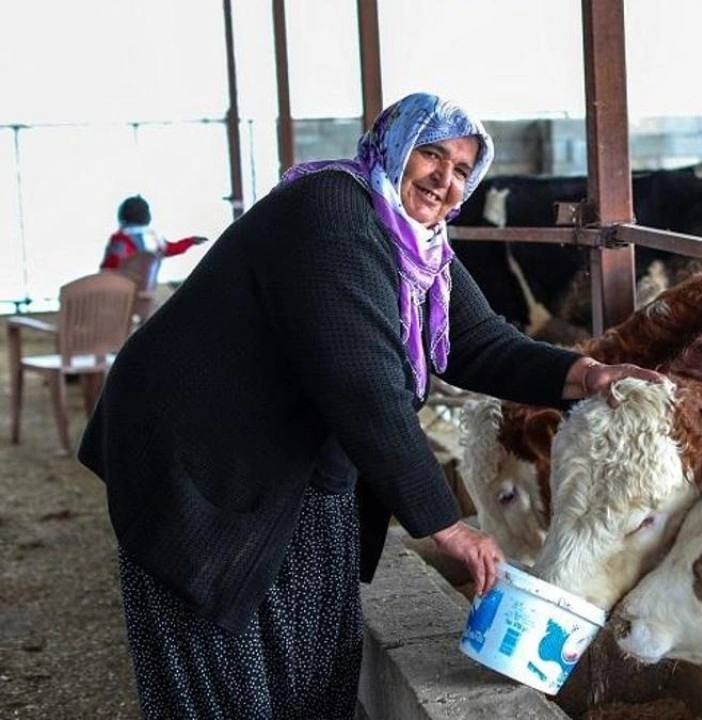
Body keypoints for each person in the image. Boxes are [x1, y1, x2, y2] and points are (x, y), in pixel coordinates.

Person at [78, 92, 664, 719]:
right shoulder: (333, 210)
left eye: (463, 168)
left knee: (319, 655)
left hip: (293, 459)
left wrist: (587, 373)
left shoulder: (419, 246)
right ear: (393, 147)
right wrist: (446, 525)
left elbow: (478, 340)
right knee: (218, 660)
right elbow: (362, 383)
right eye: (431, 154)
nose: (445, 178)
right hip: (199, 458)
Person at [100, 194, 208, 271]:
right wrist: (190, 241)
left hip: (114, 287)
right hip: (142, 290)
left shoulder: (120, 238)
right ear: (147, 216)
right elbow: (173, 248)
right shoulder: (152, 239)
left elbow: (110, 265)